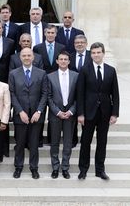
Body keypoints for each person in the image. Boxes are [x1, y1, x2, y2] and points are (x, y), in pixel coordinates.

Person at [77, 42, 120, 181]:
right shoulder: (84, 70)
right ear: (91, 54)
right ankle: (83, 170)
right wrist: (81, 114)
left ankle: (100, 170)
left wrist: (114, 114)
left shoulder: (111, 70)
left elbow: (115, 94)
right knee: (85, 142)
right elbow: (80, 94)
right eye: (93, 53)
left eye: (98, 52)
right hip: (88, 112)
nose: (96, 55)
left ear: (103, 53)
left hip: (105, 113)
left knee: (102, 142)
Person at [8, 48, 47, 180]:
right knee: (19, 143)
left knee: (34, 144)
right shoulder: (13, 74)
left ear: (33, 57)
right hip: (21, 115)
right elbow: (12, 94)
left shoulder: (41, 73)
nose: (26, 57)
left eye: (28, 55)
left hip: (36, 115)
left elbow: (44, 94)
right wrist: (20, 111)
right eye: (24, 55)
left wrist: (39, 111)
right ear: (20, 57)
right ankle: (18, 167)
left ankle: (34, 168)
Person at [47, 51, 78, 179]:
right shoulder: (50, 76)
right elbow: (48, 97)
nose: (63, 61)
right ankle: (55, 167)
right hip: (56, 114)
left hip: (70, 114)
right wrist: (58, 112)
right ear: (57, 61)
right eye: (61, 59)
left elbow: (78, 97)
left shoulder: (76, 76)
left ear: (69, 61)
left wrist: (71, 111)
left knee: (67, 142)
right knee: (54, 142)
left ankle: (65, 167)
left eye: (66, 59)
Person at [69, 34, 92, 147]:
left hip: (88, 91)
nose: (79, 44)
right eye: (77, 42)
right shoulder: (70, 56)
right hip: (73, 90)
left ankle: (85, 138)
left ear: (86, 44)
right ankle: (73, 139)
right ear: (74, 44)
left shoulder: (91, 56)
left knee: (86, 115)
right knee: (73, 116)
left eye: (82, 42)